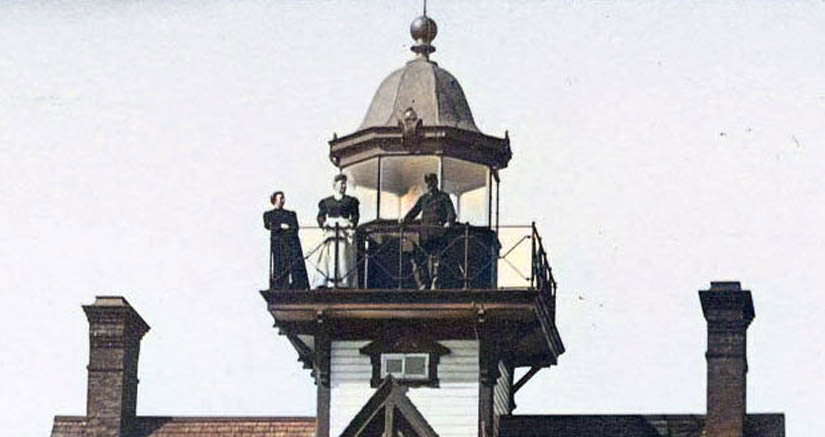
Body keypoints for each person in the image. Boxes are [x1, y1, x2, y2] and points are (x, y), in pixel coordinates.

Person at [402, 173, 456, 289]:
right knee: (419, 257)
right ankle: (424, 282)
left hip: (438, 235)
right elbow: (414, 212)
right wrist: (404, 221)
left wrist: (448, 222)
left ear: (436, 182)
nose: (430, 184)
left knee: (439, 260)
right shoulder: (424, 199)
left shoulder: (444, 197)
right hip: (425, 235)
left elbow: (451, 213)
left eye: (432, 181)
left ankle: (436, 282)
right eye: (428, 182)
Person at [313, 174, 360, 288]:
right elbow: (320, 216)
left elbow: (355, 216)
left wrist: (351, 224)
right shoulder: (326, 202)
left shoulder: (351, 201)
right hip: (331, 231)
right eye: (341, 183)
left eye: (344, 183)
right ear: (335, 185)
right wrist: (323, 223)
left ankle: (343, 281)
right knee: (328, 256)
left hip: (344, 231)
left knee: (343, 256)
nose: (343, 186)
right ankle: (328, 280)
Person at [263, 191, 309, 289]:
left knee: (294, 263)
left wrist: (285, 229)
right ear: (274, 200)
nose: (283, 200)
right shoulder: (268, 214)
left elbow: (294, 227)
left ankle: (298, 285)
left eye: (283, 198)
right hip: (278, 244)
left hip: (290, 243)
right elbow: (268, 225)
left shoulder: (290, 214)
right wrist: (280, 226)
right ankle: (279, 286)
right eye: (280, 198)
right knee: (279, 265)